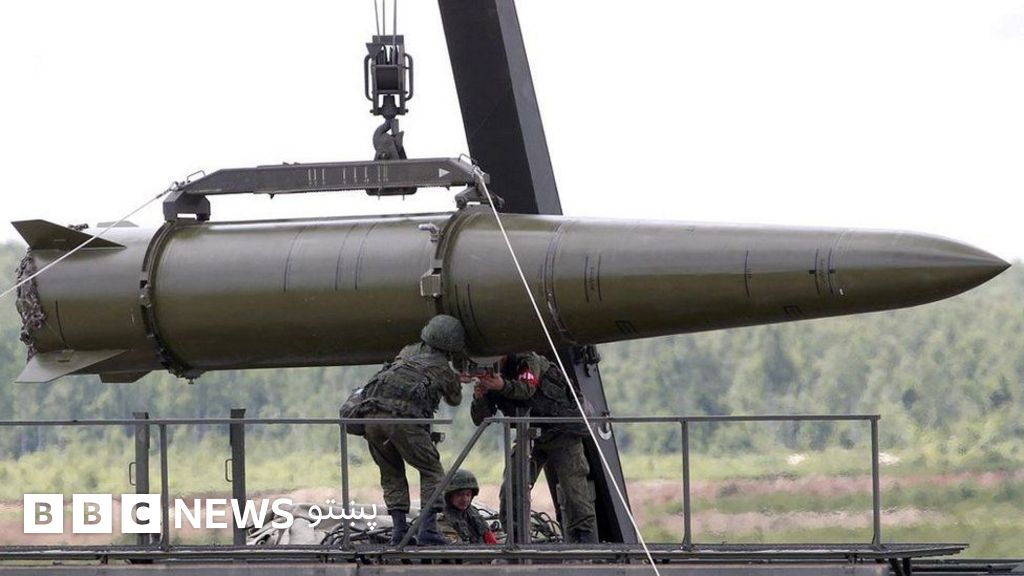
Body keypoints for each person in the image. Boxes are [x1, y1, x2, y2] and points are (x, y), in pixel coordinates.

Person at [348, 314, 466, 546]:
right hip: (402, 419)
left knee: (391, 473)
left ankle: (399, 532)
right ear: (453, 347)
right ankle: (428, 530)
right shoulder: (443, 368)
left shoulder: (407, 351)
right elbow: (455, 400)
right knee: (432, 472)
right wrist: (458, 379)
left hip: (370, 415)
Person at [469, 352, 599, 544]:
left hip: (562, 432)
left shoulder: (527, 360)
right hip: (529, 435)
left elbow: (526, 389)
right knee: (512, 485)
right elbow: (480, 418)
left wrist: (501, 385)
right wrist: (480, 397)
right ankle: (515, 539)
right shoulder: (491, 376)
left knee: (574, 489)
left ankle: (584, 540)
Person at [437, 469, 498, 545]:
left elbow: (491, 541)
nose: (465, 499)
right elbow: (456, 547)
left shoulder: (472, 512)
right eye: (459, 495)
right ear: (449, 496)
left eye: (468, 494)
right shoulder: (441, 518)